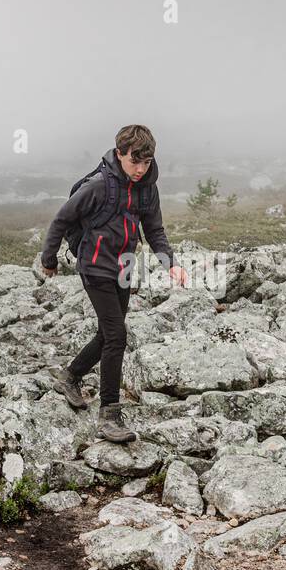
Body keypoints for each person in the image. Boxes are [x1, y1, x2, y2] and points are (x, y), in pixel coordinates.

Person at [40, 124, 188, 442]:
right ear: (119, 153)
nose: (140, 169)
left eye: (146, 163)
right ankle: (109, 416)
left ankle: (70, 376)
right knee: (117, 336)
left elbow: (155, 230)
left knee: (107, 334)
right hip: (94, 268)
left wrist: (171, 264)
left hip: (123, 268)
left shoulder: (148, 188)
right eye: (135, 162)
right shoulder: (98, 186)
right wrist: (48, 259)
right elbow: (61, 219)